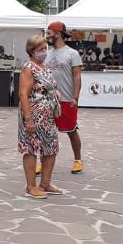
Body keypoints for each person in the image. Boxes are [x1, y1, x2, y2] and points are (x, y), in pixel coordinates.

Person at [18, 33, 61, 198]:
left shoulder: (45, 67)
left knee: (51, 148)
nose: (44, 51)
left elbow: (47, 86)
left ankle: (45, 183)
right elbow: (23, 94)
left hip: (48, 116)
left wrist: (55, 92)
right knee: (31, 149)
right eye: (40, 49)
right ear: (31, 50)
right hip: (33, 115)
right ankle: (31, 187)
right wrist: (28, 119)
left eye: (45, 48)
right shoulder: (29, 68)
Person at [43, 22, 84, 175]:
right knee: (45, 132)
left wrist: (75, 97)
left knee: (71, 131)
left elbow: (77, 76)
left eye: (49, 33)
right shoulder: (46, 53)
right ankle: (43, 161)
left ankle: (78, 160)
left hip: (67, 100)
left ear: (57, 34)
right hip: (48, 100)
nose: (46, 36)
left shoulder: (72, 54)